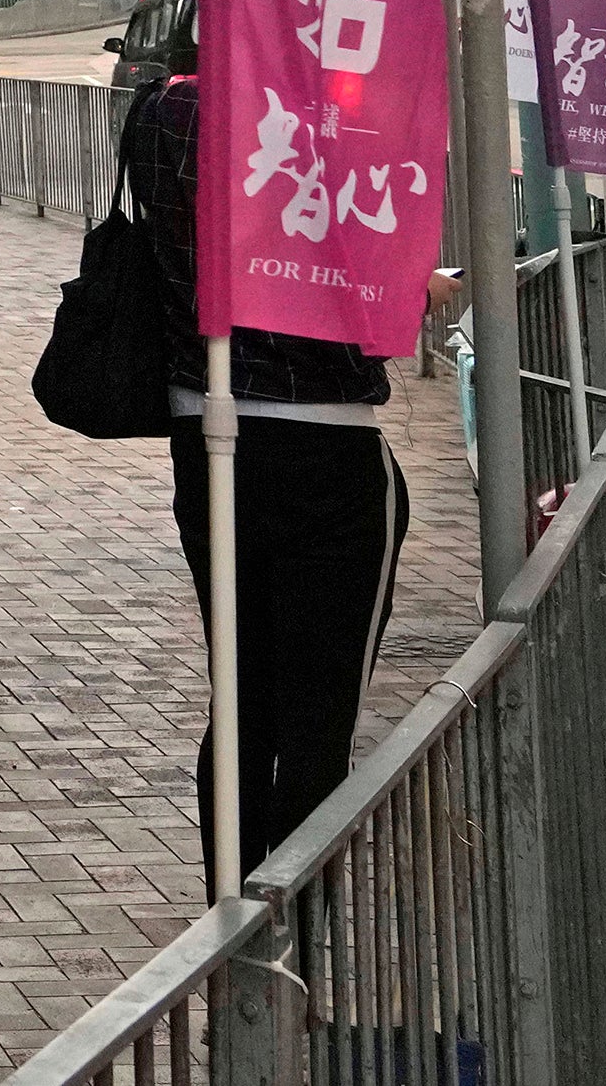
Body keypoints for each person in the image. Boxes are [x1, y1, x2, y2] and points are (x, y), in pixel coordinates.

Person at [128, 63, 408, 882]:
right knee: (318, 723)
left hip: (209, 441)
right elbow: (379, 285)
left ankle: (235, 937)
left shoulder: (165, 114)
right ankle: (294, 941)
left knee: (240, 704)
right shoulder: (338, 125)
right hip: (329, 441)